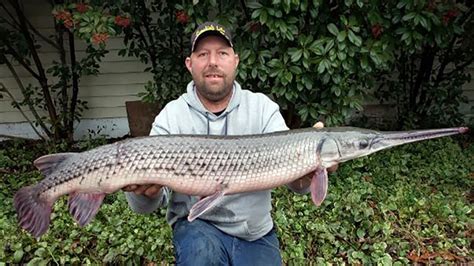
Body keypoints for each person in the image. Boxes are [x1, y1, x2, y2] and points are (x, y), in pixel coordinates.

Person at [123, 21, 336, 265]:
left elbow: (297, 185)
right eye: (203, 54)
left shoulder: (263, 109)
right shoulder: (172, 116)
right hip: (198, 226)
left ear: (235, 61)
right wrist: (144, 193)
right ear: (189, 64)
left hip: (255, 233)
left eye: (222, 53)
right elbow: (146, 205)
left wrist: (311, 172)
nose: (213, 61)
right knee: (201, 255)